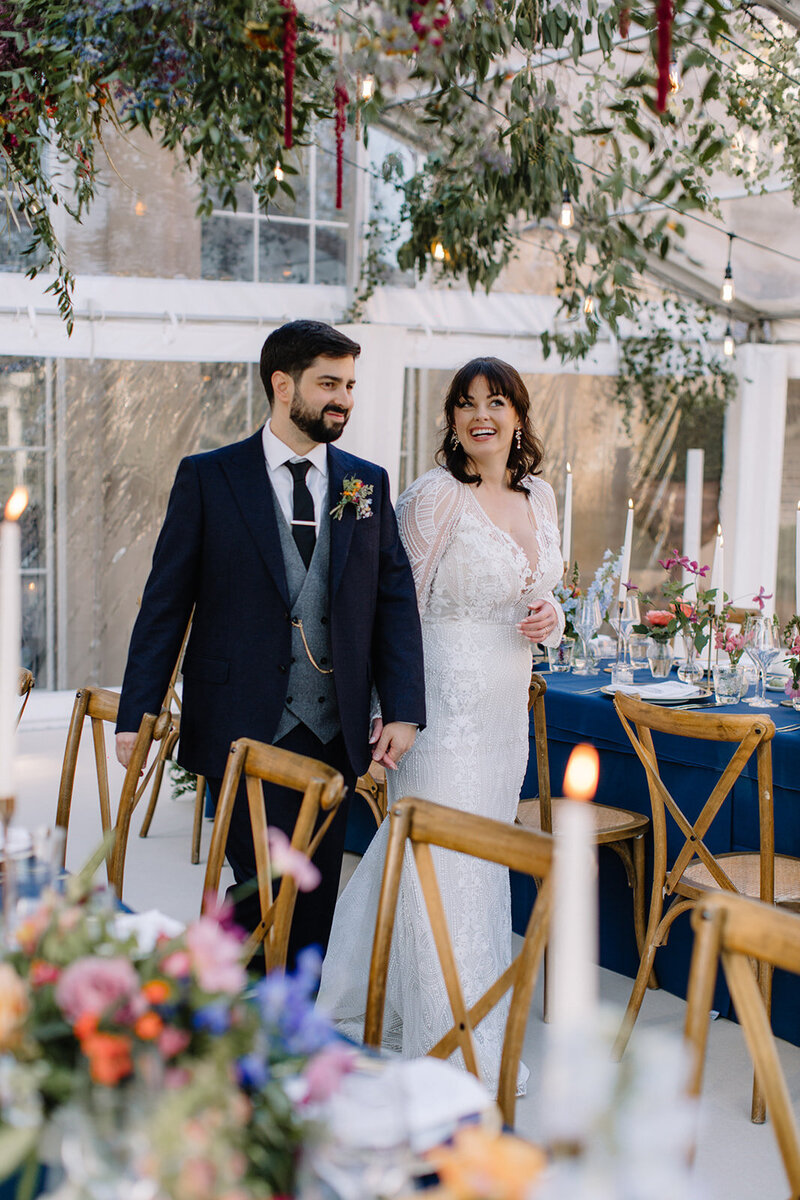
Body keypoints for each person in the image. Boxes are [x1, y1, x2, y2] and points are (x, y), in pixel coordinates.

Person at [115, 320, 426, 965]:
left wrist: (402, 707)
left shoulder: (363, 484)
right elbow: (166, 603)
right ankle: (228, 1000)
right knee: (263, 888)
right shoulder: (209, 477)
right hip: (240, 727)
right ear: (282, 385)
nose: (344, 398)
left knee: (315, 897)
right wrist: (137, 711)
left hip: (331, 729)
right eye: (329, 383)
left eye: (350, 385)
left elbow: (394, 600)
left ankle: (289, 1026)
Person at [317, 356, 564, 1093]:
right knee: (439, 867)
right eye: (465, 403)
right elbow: (393, 609)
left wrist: (553, 618)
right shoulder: (434, 498)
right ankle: (445, 1043)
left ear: (518, 415)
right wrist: (391, 712)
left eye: (495, 401)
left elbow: (544, 596)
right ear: (453, 420)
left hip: (502, 716)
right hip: (439, 712)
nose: (479, 414)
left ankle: (442, 1012)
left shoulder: (542, 497)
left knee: (478, 870)